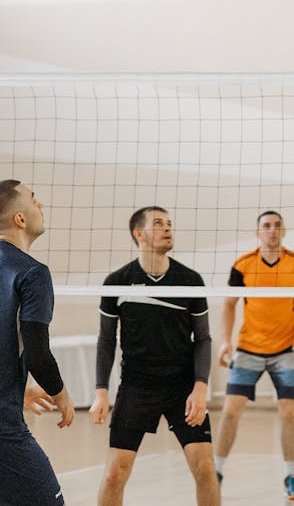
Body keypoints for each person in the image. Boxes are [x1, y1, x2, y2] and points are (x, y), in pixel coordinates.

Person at [90, 206, 218, 506]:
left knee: (205, 469)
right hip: (136, 386)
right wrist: (101, 391)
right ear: (139, 233)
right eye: (158, 223)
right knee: (114, 474)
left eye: (170, 223)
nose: (167, 228)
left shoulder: (190, 280)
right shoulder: (117, 281)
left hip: (182, 387)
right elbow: (106, 340)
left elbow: (203, 338)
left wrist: (200, 388)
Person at [214, 210, 294, 500]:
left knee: (289, 412)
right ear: (257, 232)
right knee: (230, 411)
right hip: (248, 349)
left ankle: (291, 475)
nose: (272, 230)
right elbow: (228, 304)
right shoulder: (244, 264)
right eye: (266, 226)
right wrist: (226, 341)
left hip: (285, 351)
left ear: (283, 230)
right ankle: (217, 472)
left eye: (277, 225)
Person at [0, 180, 75, 506]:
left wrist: (19, 386)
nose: (40, 206)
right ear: (20, 219)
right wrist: (61, 394)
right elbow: (37, 353)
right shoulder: (32, 273)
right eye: (34, 200)